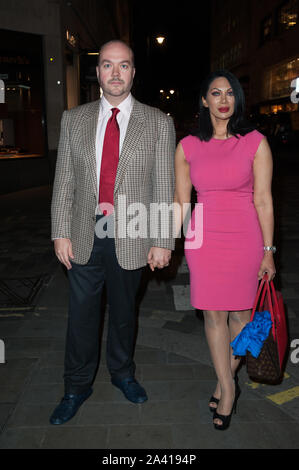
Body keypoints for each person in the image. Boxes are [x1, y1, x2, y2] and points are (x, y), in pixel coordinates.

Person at [50, 40, 176, 425]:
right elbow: (64, 181)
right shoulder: (74, 118)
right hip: (83, 234)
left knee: (124, 314)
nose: (116, 73)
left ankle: (122, 374)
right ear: (98, 72)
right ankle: (76, 386)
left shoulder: (158, 122)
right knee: (81, 317)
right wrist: (59, 230)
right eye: (108, 65)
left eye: (124, 65)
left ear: (134, 72)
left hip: (133, 235)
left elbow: (163, 186)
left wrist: (161, 240)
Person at [174, 70, 276, 431]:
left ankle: (223, 382)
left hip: (246, 236)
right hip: (204, 238)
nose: (222, 100)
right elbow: (181, 202)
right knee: (214, 317)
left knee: (243, 318)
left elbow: (263, 200)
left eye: (229, 93)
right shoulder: (187, 146)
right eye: (215, 93)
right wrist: (165, 244)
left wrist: (268, 250)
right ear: (204, 100)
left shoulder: (255, 142)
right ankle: (230, 391)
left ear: (237, 100)